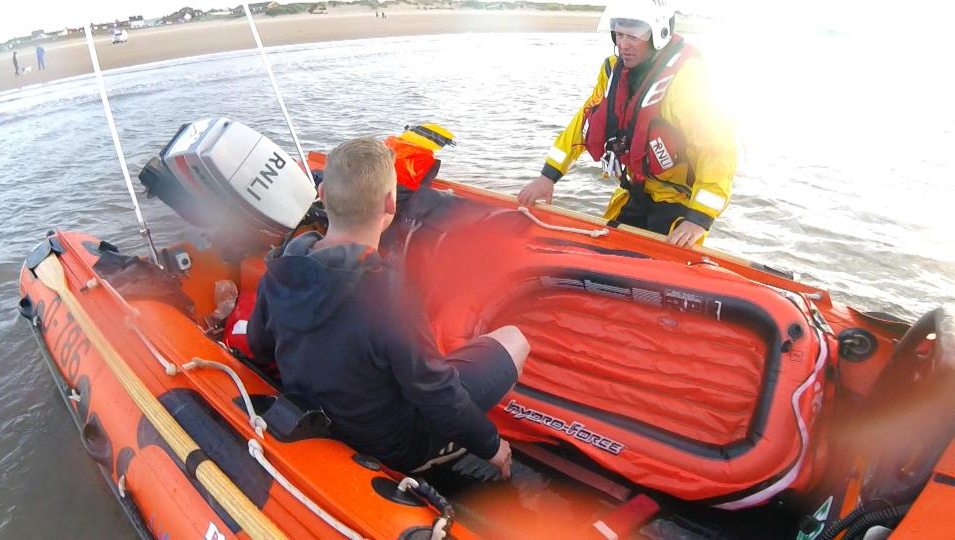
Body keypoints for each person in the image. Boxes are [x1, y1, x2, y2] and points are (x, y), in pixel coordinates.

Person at [249, 137, 530, 478]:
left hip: (320, 417)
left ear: (322, 196)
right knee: (514, 339)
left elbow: (259, 346)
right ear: (391, 203)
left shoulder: (283, 266)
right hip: (392, 444)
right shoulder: (388, 292)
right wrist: (490, 445)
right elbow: (436, 394)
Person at [517, 0, 736, 247]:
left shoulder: (688, 79)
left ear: (659, 33)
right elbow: (582, 123)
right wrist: (548, 176)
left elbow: (718, 150)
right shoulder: (612, 72)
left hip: (679, 204)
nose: (623, 45)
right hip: (635, 193)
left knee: (660, 266)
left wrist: (699, 218)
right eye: (619, 34)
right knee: (603, 250)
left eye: (633, 35)